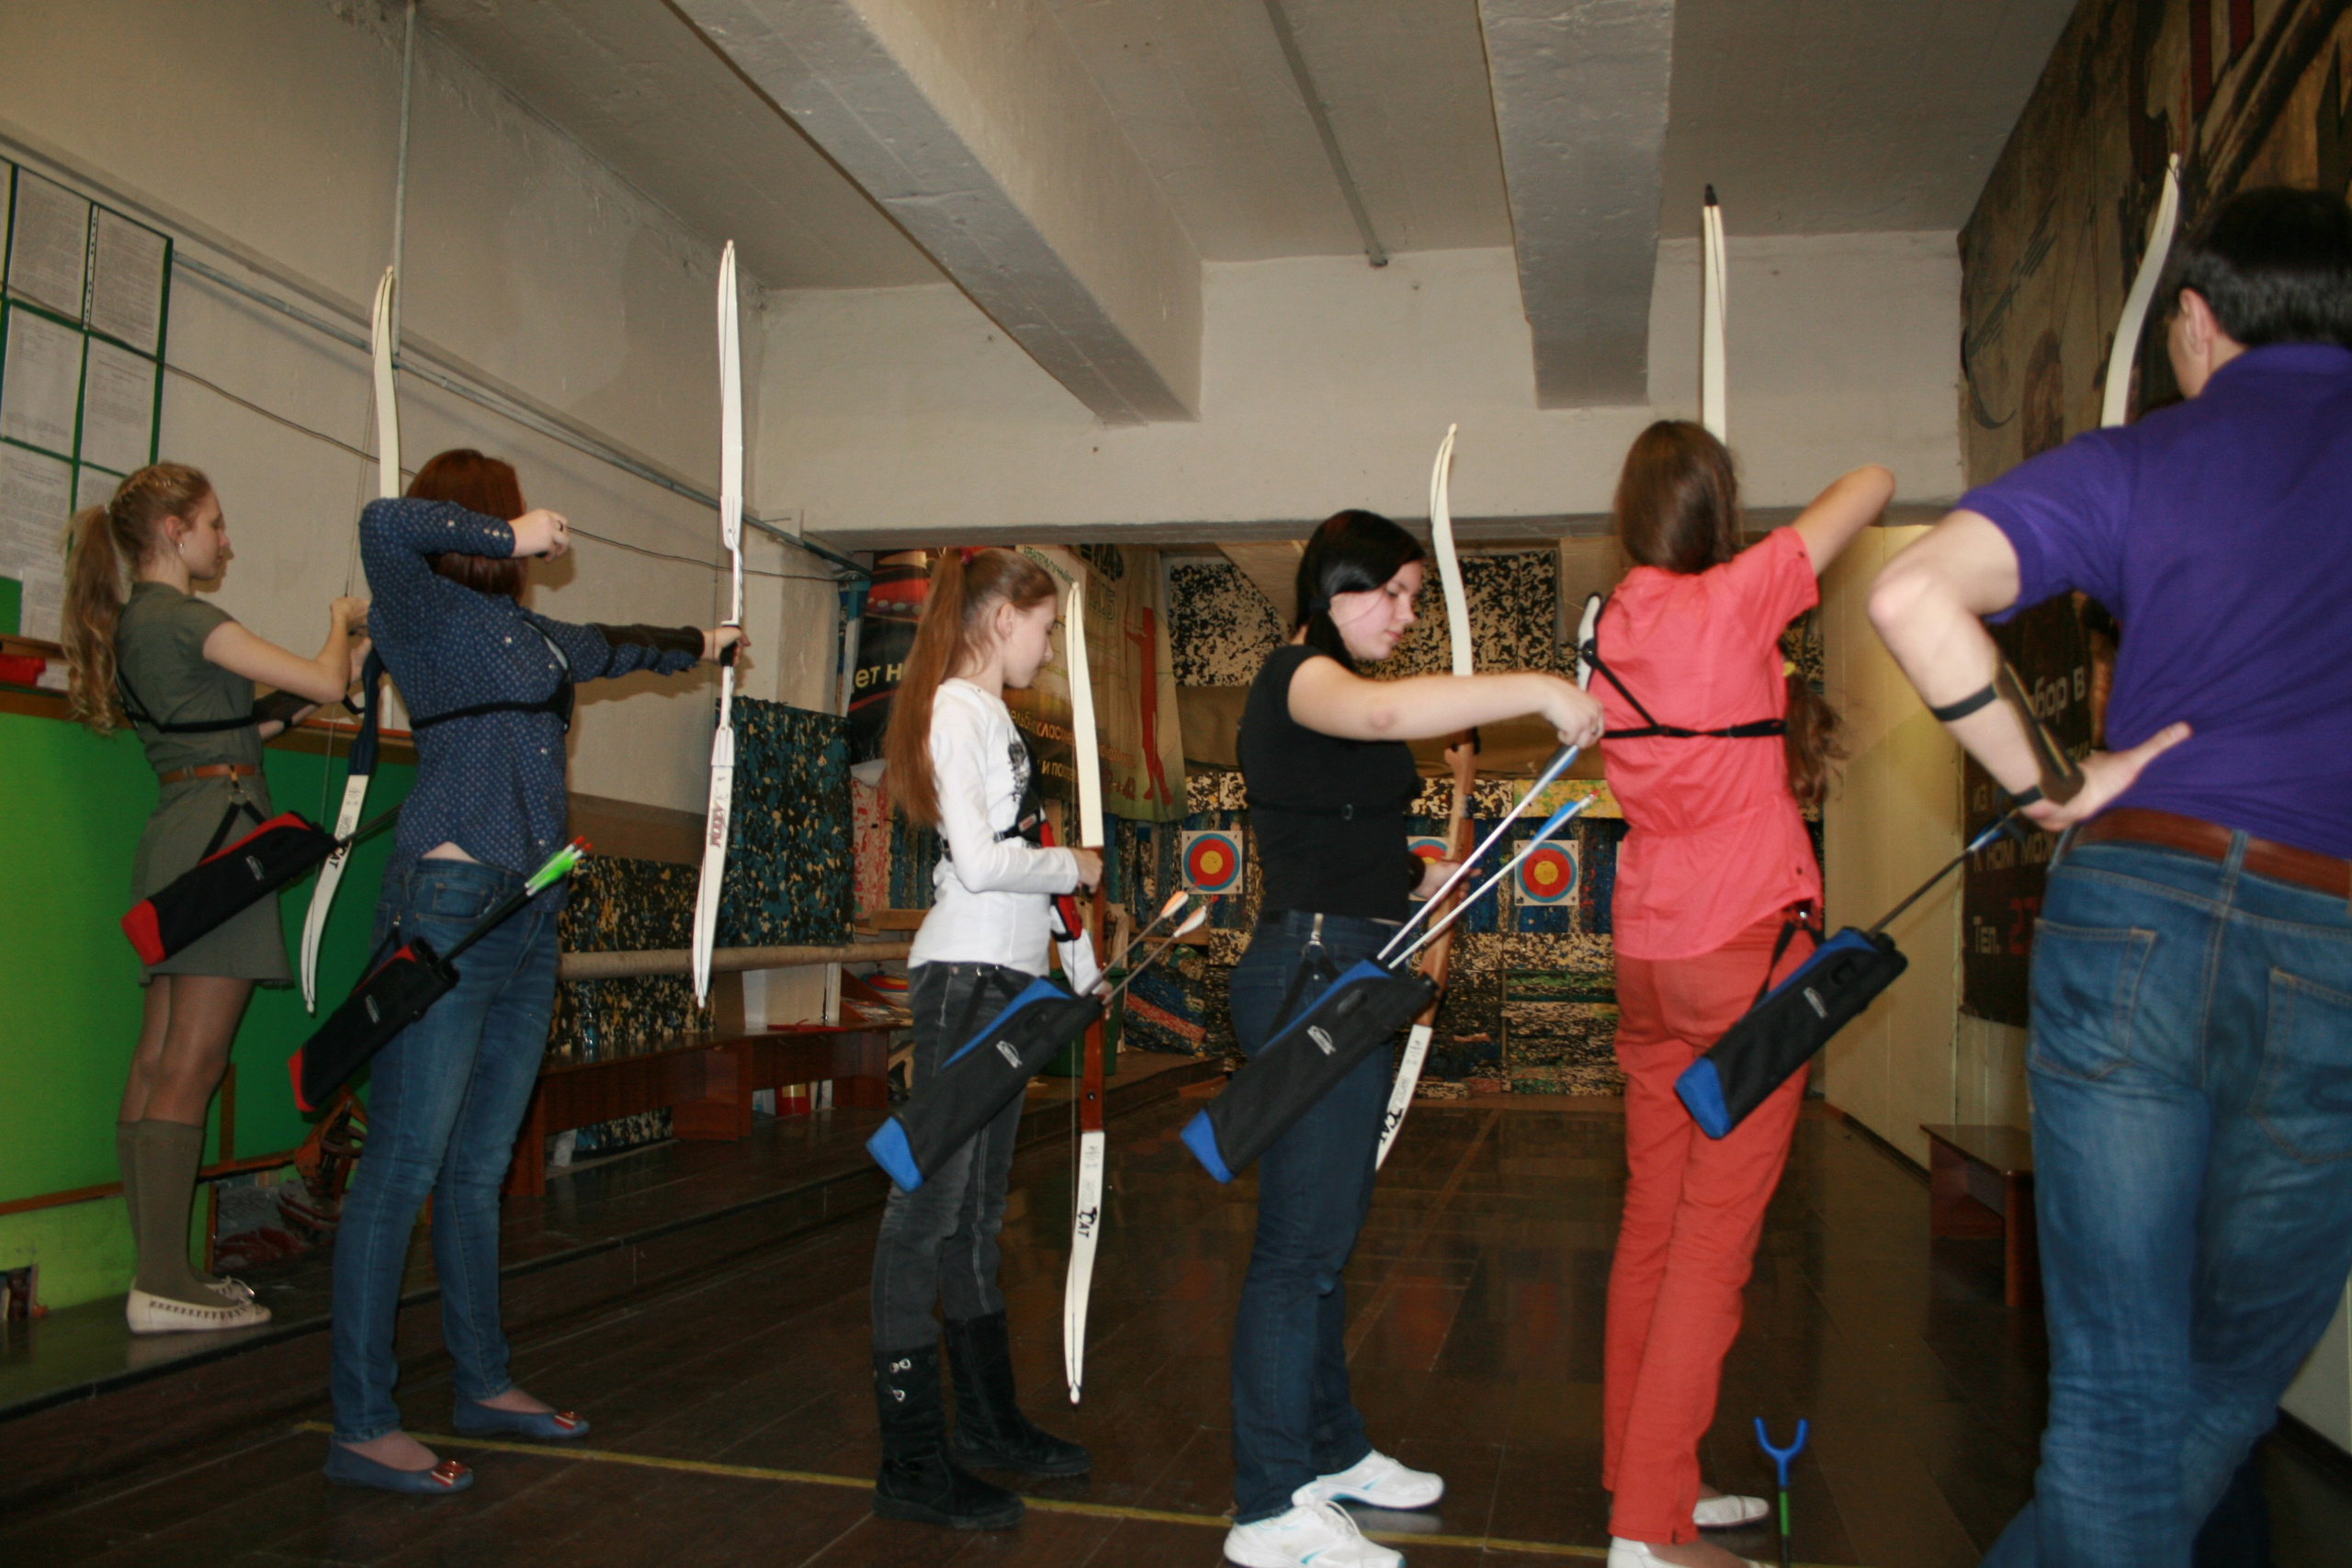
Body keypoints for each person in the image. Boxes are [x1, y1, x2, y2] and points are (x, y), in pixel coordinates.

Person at [1867, 186, 2352, 1568]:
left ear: (2193, 321)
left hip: (2136, 900)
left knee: (2120, 1391)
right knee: (2228, 1379)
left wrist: (2051, 786)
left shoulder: (2144, 457)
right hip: (2335, 928)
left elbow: (1910, 593)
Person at [326, 449, 744, 1495]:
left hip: (528, 914)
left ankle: (482, 1382)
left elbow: (616, 646)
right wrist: (511, 535)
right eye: (503, 518)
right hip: (450, 909)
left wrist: (704, 643)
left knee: (476, 1168)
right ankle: (362, 1422)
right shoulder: (422, 612)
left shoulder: (533, 636)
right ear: (484, 519)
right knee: (403, 1166)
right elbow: (382, 522)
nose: (517, 535)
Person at [1223, 511, 1605, 1568]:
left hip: (1344, 961)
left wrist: (1418, 874)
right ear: (1333, 590)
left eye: (1411, 598)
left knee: (1324, 1238)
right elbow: (1385, 714)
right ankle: (1266, 1508)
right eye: (1390, 594)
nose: (1403, 615)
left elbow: (1332, 831)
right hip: (1310, 971)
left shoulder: (1328, 692)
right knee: (1296, 1251)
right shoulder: (1299, 675)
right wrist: (1541, 687)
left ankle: (1331, 1449)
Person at [1587, 426, 1892, 1568]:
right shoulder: (1735, 596)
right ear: (1716, 505)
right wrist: (1746, 554)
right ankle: (1646, 1530)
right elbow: (1872, 478)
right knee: (1710, 1245)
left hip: (1648, 951)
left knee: (1652, 1226)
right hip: (1743, 952)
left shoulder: (1613, 625)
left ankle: (1643, 1476)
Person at [60, 463, 368, 1336]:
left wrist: (339, 671)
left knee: (159, 1059)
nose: (224, 541)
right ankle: (162, 1281)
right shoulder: (187, 618)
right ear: (172, 530)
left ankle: (161, 1270)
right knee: (191, 1065)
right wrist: (340, 625)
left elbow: (245, 724)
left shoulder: (139, 625)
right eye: (214, 524)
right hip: (219, 841)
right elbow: (320, 681)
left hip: (181, 834)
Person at [868, 547, 1097, 1531]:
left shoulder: (992, 716)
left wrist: (1079, 967)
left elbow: (1022, 861)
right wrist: (1072, 865)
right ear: (1003, 617)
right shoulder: (958, 709)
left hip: (1005, 983)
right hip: (964, 982)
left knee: (975, 1216)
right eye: (1044, 627)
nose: (1047, 647)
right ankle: (912, 1459)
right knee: (926, 1212)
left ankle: (989, 1423)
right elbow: (979, 859)